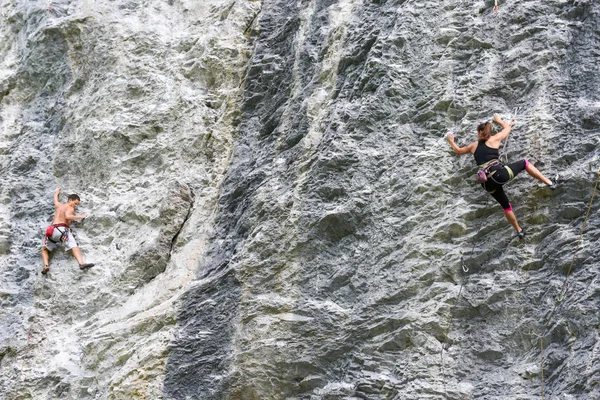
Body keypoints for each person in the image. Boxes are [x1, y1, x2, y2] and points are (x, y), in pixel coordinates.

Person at [446, 114, 556, 237]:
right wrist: (500, 121)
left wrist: (451, 141)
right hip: (498, 175)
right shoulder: (494, 139)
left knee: (506, 206)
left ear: (480, 132)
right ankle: (550, 183)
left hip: (486, 183)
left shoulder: (474, 145)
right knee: (524, 163)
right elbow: (507, 129)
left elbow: (459, 151)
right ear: (489, 132)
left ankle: (519, 231)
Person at [41, 188, 94, 274]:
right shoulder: (70, 207)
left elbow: (55, 200)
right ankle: (81, 263)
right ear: (70, 200)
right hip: (62, 230)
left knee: (44, 249)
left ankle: (46, 265)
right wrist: (81, 216)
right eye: (75, 203)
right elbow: (68, 216)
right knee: (74, 246)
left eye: (77, 205)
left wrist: (56, 193)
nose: (75, 206)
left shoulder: (59, 206)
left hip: (52, 231)